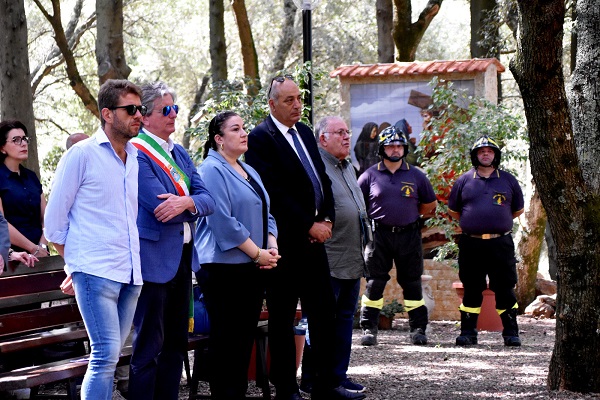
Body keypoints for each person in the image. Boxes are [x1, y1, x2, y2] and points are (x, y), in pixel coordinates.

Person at [245, 75, 365, 400]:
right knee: (283, 320)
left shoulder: (305, 133)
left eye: (298, 98)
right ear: (272, 105)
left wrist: (326, 218)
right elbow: (274, 193)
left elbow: (321, 180)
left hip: (314, 246)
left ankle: (325, 385)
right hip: (283, 246)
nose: (297, 105)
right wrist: (307, 225)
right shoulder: (260, 138)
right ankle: (287, 389)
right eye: (288, 100)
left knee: (325, 315)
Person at [44, 79, 145, 400]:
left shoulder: (135, 158)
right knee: (104, 357)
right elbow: (54, 223)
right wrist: (75, 266)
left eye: (140, 109)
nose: (138, 115)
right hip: (95, 273)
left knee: (112, 356)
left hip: (131, 275)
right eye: (130, 110)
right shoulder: (82, 155)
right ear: (107, 114)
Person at [128, 81, 215, 400]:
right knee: (149, 346)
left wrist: (187, 202)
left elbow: (209, 199)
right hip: (153, 262)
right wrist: (190, 203)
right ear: (146, 117)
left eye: (175, 108)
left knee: (176, 345)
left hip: (182, 261)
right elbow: (158, 205)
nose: (173, 114)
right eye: (166, 110)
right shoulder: (137, 152)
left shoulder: (178, 151)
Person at [195, 111, 280, 400]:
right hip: (223, 269)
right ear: (219, 139)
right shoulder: (210, 170)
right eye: (235, 129)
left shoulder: (249, 170)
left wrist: (271, 245)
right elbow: (223, 223)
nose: (244, 133)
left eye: (244, 127)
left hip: (252, 267)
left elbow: (267, 212)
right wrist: (259, 254)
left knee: (243, 342)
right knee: (227, 343)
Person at [300, 116, 369, 395]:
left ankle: (337, 377)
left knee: (343, 322)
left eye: (347, 132)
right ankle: (314, 380)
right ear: (322, 138)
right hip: (327, 259)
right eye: (339, 132)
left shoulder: (348, 167)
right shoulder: (315, 168)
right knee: (320, 324)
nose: (346, 136)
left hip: (352, 258)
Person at [358, 125, 437, 346]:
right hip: (378, 236)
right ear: (382, 149)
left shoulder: (416, 175)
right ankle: (369, 329)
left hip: (409, 236)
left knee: (412, 283)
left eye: (399, 146)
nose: (395, 150)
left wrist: (409, 216)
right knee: (374, 283)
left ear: (404, 149)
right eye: (391, 146)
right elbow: (358, 204)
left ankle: (418, 329)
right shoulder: (369, 175)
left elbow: (430, 204)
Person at [447, 136, 524, 347]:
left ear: (495, 155)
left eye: (490, 151)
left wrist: (495, 223)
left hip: (501, 244)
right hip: (471, 244)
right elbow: (454, 211)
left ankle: (511, 333)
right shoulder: (464, 180)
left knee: (504, 287)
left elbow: (517, 210)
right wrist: (475, 223)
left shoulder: (508, 180)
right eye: (481, 151)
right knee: (471, 287)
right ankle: (468, 333)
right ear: (475, 156)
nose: (486, 154)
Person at [0, 120, 50, 258]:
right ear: (2, 148)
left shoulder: (32, 177)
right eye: (16, 140)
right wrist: (32, 248)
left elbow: (47, 216)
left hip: (41, 255)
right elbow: (0, 223)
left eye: (24, 139)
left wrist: (42, 245)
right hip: (13, 257)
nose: (23, 143)